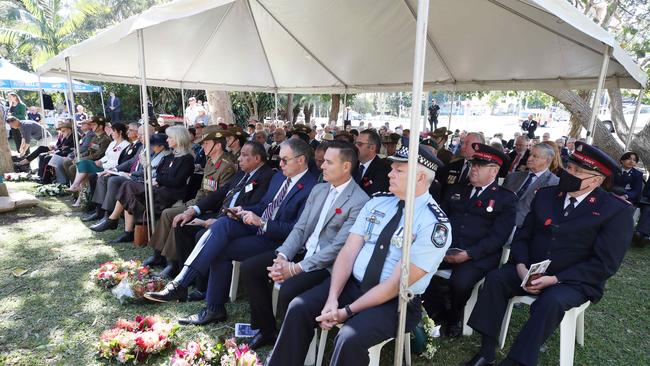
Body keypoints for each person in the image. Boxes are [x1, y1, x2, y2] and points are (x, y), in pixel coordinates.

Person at [266, 144, 450, 366]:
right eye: (392, 168)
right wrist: (333, 298)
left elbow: (395, 285)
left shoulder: (434, 225)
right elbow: (348, 252)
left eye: (399, 171)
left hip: (395, 303)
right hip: (353, 286)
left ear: (420, 177)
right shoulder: (377, 203)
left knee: (349, 337)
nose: (389, 173)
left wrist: (346, 312)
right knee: (299, 307)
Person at [463, 141, 633, 366]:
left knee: (551, 301)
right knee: (495, 279)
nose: (568, 173)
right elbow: (523, 237)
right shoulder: (546, 195)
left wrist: (555, 279)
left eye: (577, 172)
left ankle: (517, 361)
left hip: (573, 280)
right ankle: (486, 350)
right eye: (569, 167)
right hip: (530, 270)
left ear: (596, 179)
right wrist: (522, 266)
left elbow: (604, 264)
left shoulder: (615, 211)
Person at [143, 139, 318, 327]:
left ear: (301, 160)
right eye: (280, 159)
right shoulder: (280, 177)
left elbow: (296, 231)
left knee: (221, 246)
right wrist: (243, 210)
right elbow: (263, 205)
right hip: (258, 226)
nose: (279, 164)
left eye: (284, 160)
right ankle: (192, 291)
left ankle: (195, 295)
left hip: (278, 241)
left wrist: (262, 222)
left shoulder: (312, 187)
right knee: (224, 223)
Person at [241, 141, 369, 349]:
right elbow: (300, 229)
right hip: (301, 252)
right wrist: (282, 257)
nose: (322, 166)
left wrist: (295, 269)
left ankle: (289, 340)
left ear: (346, 167)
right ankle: (266, 329)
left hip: (325, 264)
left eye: (328, 162)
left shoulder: (359, 200)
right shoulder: (319, 190)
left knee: (289, 288)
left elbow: (338, 248)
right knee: (251, 268)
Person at [422, 143, 516, 338]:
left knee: (460, 283)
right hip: (446, 248)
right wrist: (440, 248)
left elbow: (498, 237)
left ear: (493, 171)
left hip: (479, 255)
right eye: (473, 164)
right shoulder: (457, 189)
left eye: (479, 166)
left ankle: (454, 316)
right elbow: (439, 219)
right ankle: (429, 309)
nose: (472, 168)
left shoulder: (505, 199)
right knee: (420, 267)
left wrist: (469, 254)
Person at [166, 142, 275, 301]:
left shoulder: (266, 176)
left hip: (239, 223)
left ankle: (203, 288)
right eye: (241, 154)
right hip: (222, 216)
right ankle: (188, 280)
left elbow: (256, 207)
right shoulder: (242, 173)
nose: (239, 158)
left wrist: (217, 221)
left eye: (245, 155)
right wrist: (193, 210)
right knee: (183, 226)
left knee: (203, 234)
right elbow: (220, 193)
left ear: (257, 158)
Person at [144, 128, 237, 277]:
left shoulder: (226, 166)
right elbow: (202, 189)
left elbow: (220, 197)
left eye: (206, 143)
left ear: (218, 145)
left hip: (211, 209)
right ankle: (158, 254)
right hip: (199, 204)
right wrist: (192, 203)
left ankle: (172, 263)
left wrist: (195, 207)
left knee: (172, 215)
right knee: (168, 214)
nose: (202, 146)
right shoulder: (210, 162)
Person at [91, 127, 195, 243]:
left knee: (128, 187)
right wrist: (160, 178)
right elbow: (161, 174)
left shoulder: (187, 159)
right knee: (128, 189)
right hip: (159, 188)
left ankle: (115, 222)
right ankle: (123, 228)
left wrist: (160, 179)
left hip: (169, 194)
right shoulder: (170, 156)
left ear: (178, 139)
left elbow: (176, 181)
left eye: (170, 138)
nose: (167, 140)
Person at [83, 124, 145, 222]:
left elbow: (129, 163)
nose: (128, 132)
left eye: (132, 130)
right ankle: (99, 210)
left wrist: (114, 170)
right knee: (95, 176)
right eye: (129, 130)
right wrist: (115, 170)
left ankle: (108, 214)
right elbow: (128, 161)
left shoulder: (138, 145)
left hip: (130, 174)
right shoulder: (134, 145)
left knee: (107, 179)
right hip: (118, 169)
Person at [503, 143, 560, 227]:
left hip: (526, 230)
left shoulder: (554, 183)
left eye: (535, 156)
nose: (529, 158)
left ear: (548, 160)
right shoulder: (512, 177)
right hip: (500, 224)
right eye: (530, 155)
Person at [66, 123, 130, 193]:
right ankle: (78, 188)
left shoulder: (126, 145)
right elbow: (107, 155)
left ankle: (76, 186)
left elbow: (118, 161)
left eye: (113, 131)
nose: (111, 133)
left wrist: (102, 164)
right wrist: (100, 161)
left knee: (83, 164)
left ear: (120, 132)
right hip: (102, 164)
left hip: (110, 168)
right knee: (82, 163)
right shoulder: (112, 143)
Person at [354, 129, 391, 196]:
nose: (355, 146)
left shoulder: (384, 169)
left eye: (359, 144)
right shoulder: (351, 164)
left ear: (372, 148)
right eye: (355, 143)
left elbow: (374, 195)